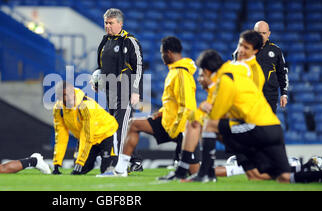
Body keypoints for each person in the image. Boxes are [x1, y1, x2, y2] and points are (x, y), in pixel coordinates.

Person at [187, 50, 322, 183]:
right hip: (271, 127)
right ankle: (309, 171)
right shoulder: (238, 74)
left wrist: (199, 113)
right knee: (281, 178)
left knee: (210, 126)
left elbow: (214, 117)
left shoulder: (225, 80)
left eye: (201, 74)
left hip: (254, 127)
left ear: (207, 71)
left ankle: (207, 173)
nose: (199, 78)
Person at [97, 36, 198, 177]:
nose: (162, 57)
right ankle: (121, 169)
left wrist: (177, 129)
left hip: (181, 128)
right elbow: (172, 102)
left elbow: (186, 106)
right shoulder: (174, 71)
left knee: (196, 174)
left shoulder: (181, 74)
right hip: (168, 122)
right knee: (133, 124)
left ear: (168, 52)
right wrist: (160, 112)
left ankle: (234, 169)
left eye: (162, 53)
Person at [94, 8, 144, 172]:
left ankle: (118, 163)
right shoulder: (105, 41)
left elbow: (138, 67)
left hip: (126, 89)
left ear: (120, 23)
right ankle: (135, 161)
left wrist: (135, 90)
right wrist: (97, 79)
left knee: (119, 126)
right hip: (110, 91)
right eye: (106, 23)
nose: (107, 26)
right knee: (118, 126)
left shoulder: (130, 41)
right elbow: (101, 66)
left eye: (111, 23)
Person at [52, 82, 118, 175]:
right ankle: (96, 158)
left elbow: (86, 136)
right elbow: (61, 137)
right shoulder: (59, 109)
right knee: (79, 171)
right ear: (59, 97)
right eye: (64, 95)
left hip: (106, 134)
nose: (69, 98)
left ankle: (120, 160)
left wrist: (80, 162)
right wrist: (57, 163)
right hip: (88, 138)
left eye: (70, 94)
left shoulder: (85, 106)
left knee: (107, 171)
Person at [254, 20, 289, 113]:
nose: (261, 36)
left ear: (269, 34)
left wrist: (284, 94)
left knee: (268, 125)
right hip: (250, 94)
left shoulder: (276, 50)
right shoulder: (245, 50)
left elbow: (282, 73)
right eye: (258, 33)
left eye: (264, 33)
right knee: (250, 125)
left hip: (270, 96)